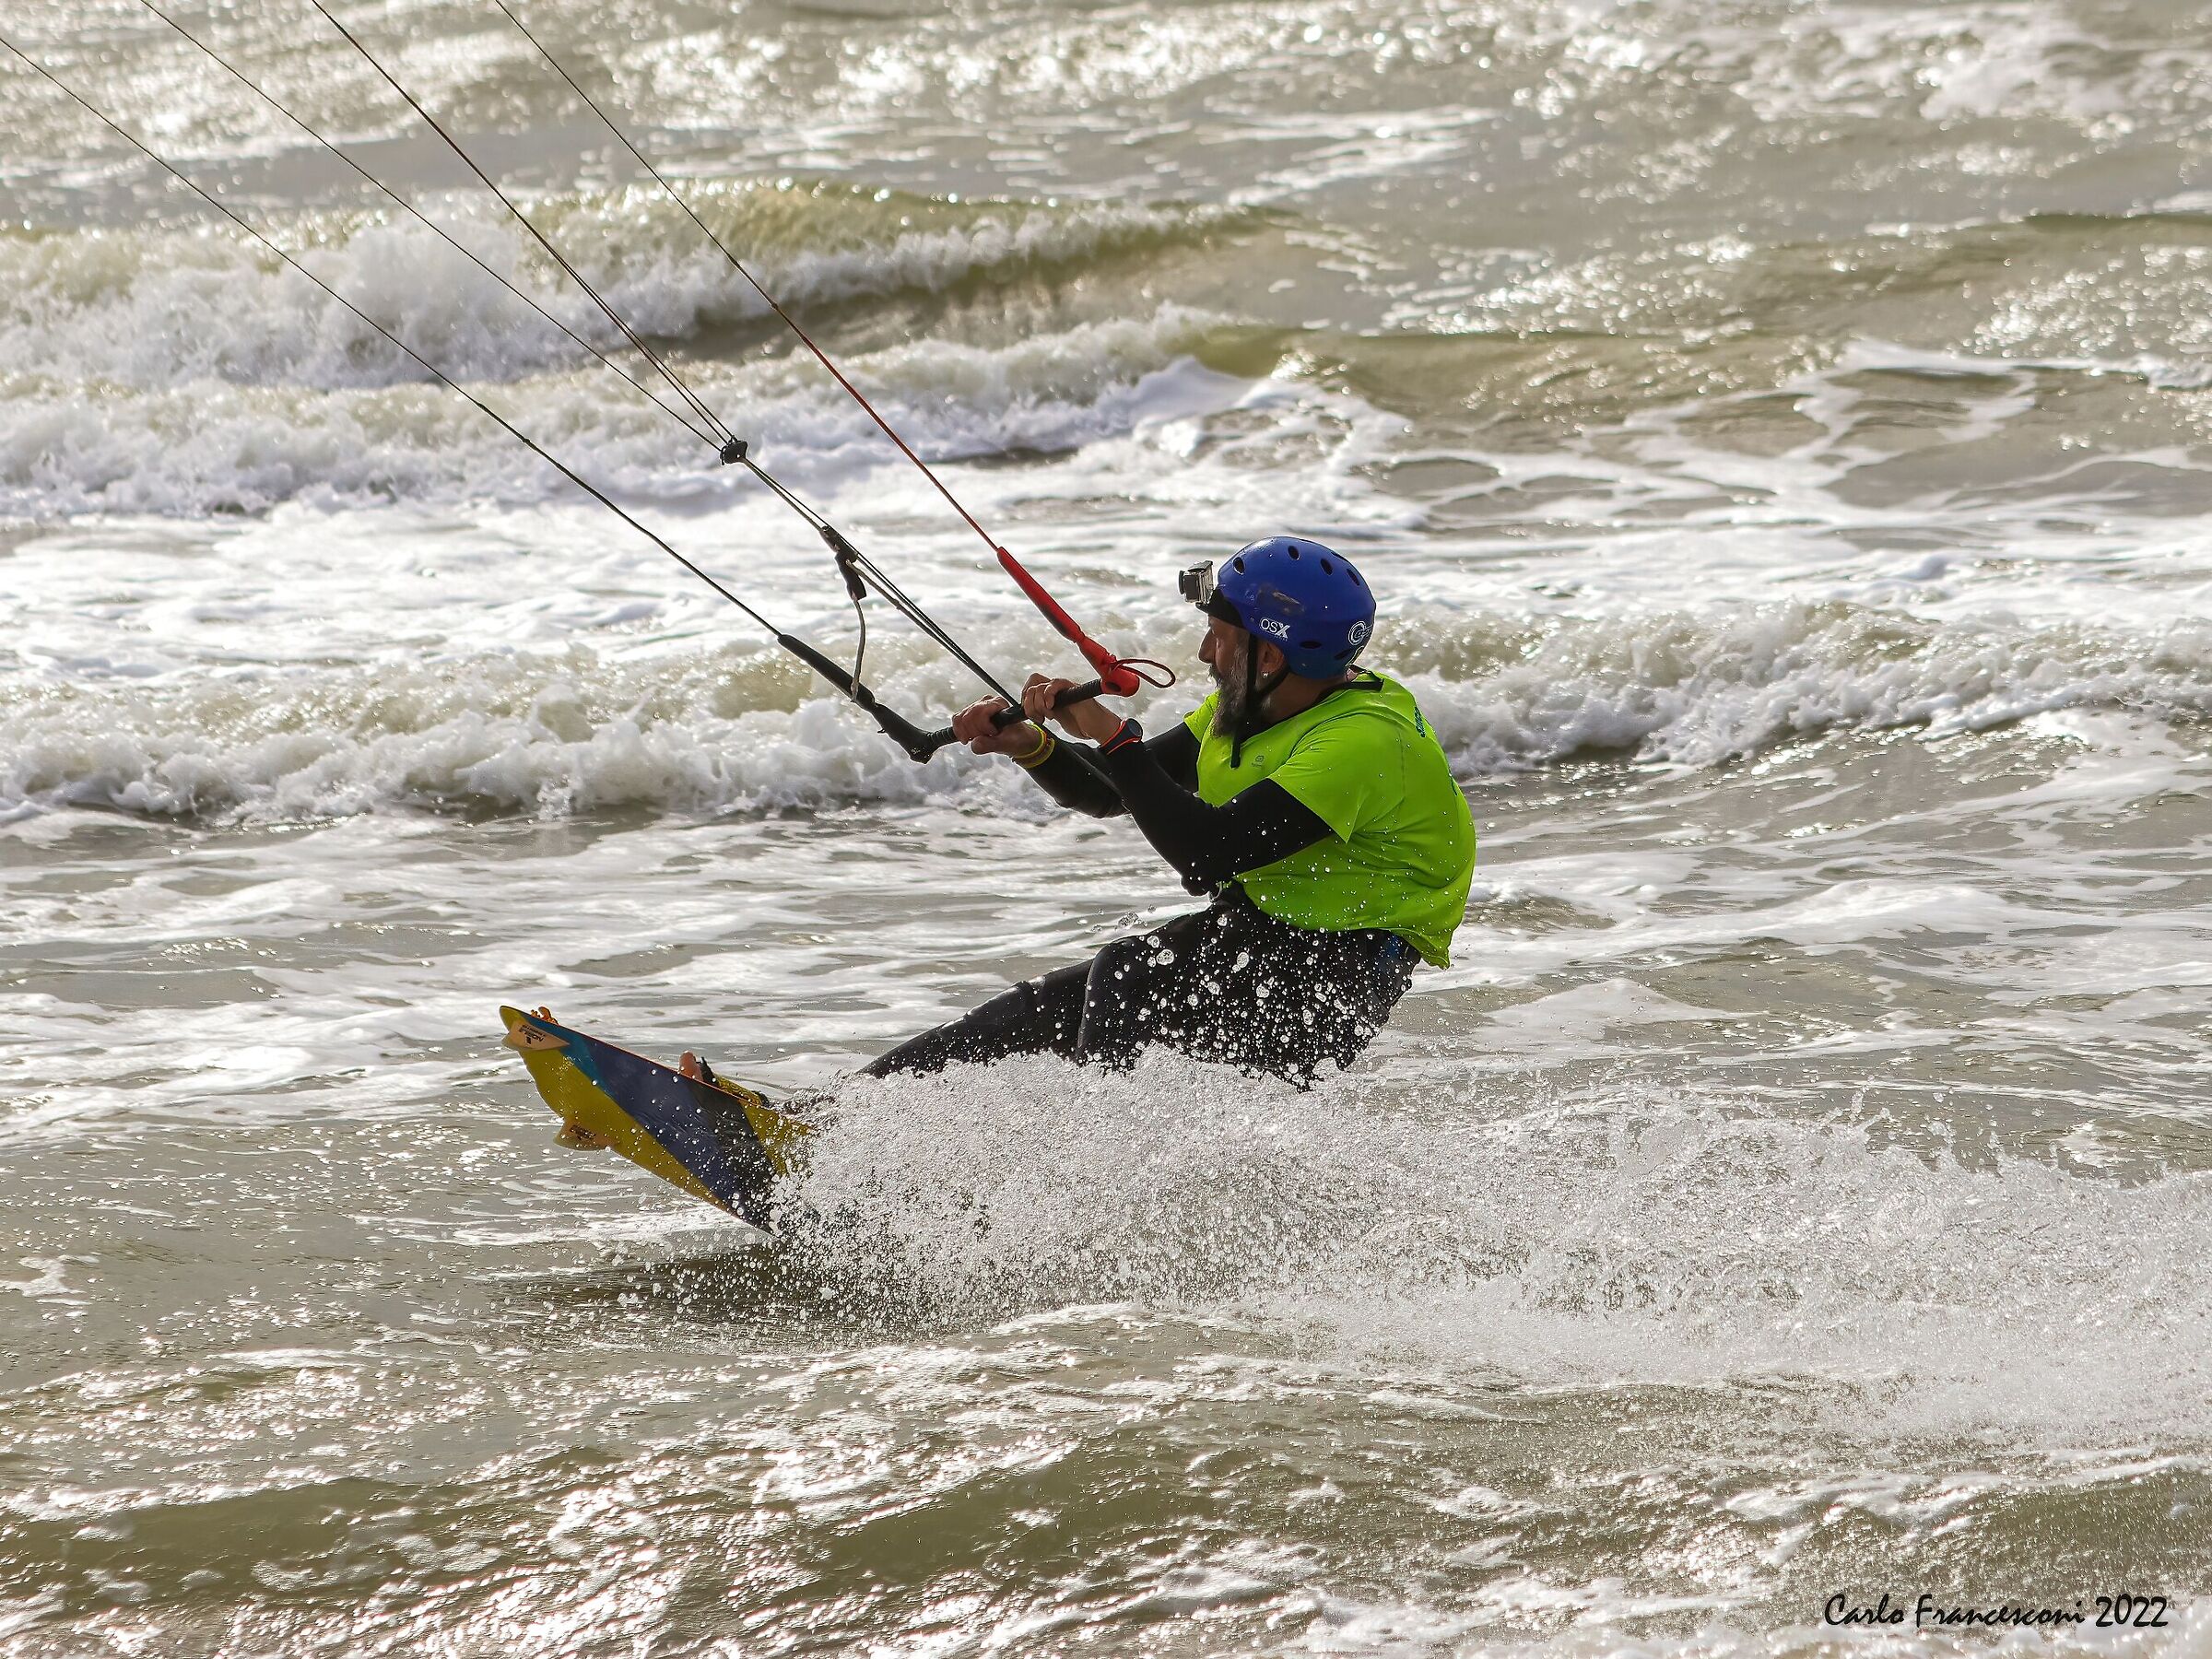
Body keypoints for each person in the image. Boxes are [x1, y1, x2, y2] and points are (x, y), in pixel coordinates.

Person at [860, 536, 1477, 1086]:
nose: (1206, 652)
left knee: (1127, 972)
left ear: (1269, 658)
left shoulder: (1362, 741)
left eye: (1220, 636)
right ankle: (827, 1126)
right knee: (1040, 1010)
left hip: (1338, 975)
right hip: (1270, 935)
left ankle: (1091, 1172)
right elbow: (1117, 789)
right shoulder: (1259, 705)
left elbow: (1205, 854)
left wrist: (1115, 736)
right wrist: (1034, 745)